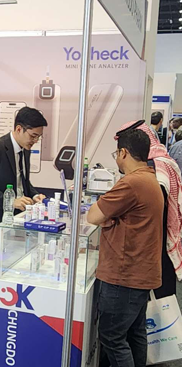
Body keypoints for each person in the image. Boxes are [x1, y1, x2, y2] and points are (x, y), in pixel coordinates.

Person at [87, 129, 164, 367]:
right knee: (134, 334)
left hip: (124, 275)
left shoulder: (131, 183)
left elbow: (93, 215)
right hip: (140, 272)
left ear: (123, 153)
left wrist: (108, 218)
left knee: (112, 338)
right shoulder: (149, 178)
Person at [117, 120, 182, 300]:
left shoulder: (152, 168)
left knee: (156, 304)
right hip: (160, 241)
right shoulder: (163, 161)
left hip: (152, 246)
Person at [0, 106, 47, 254]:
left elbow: (22, 180)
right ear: (19, 129)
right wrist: (10, 201)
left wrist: (34, 195)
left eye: (38, 137)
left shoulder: (25, 149)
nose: (35, 140)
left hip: (14, 224)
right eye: (33, 136)